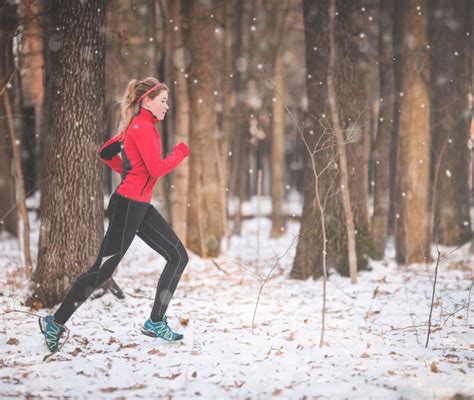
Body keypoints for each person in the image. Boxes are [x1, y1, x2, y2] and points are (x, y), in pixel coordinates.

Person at [39, 77, 190, 352]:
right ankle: (55, 322)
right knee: (102, 270)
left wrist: (128, 169)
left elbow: (107, 151)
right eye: (163, 101)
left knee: (178, 256)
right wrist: (180, 153)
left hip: (140, 205)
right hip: (128, 206)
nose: (167, 107)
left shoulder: (139, 127)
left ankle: (155, 322)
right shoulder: (142, 127)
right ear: (147, 101)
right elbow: (156, 169)